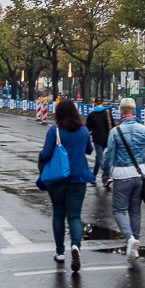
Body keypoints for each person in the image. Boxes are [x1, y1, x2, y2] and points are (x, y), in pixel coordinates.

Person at [38, 99, 94, 272]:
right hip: (78, 179)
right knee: (75, 216)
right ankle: (75, 246)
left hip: (57, 179)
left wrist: (41, 166)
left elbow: (46, 154)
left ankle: (60, 252)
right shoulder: (84, 130)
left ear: (58, 113)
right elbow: (89, 150)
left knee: (58, 215)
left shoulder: (54, 131)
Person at [104, 98, 145, 262]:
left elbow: (109, 157)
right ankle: (135, 248)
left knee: (119, 211)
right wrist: (144, 168)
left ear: (121, 112)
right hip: (139, 174)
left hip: (121, 174)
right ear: (135, 112)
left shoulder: (115, 132)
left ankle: (130, 239)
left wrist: (106, 174)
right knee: (135, 211)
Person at [85, 97, 115, 186]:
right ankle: (94, 177)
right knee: (99, 158)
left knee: (100, 158)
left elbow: (88, 128)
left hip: (97, 139)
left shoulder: (92, 115)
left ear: (95, 104)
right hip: (108, 138)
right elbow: (113, 125)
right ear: (103, 103)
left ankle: (106, 177)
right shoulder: (108, 113)